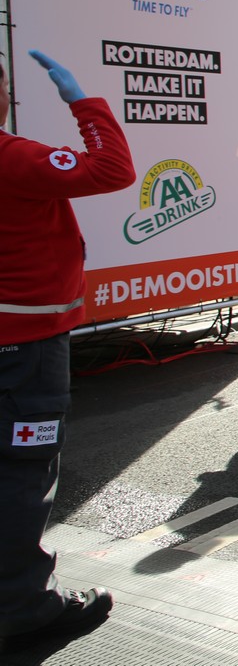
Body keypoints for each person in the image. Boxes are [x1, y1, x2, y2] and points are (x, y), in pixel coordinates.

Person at [0, 51, 134, 649]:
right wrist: (83, 103)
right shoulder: (13, 157)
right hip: (24, 347)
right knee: (21, 475)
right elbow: (113, 168)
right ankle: (23, 608)